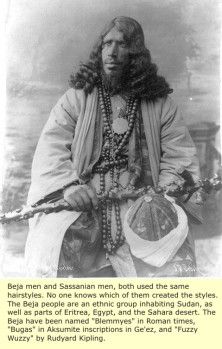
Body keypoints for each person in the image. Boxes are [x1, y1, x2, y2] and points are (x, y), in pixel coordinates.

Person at [25, 16, 201, 278]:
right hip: (83, 203)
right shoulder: (76, 98)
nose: (114, 52)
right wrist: (69, 187)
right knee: (55, 257)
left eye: (123, 44)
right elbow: (51, 149)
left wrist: (161, 195)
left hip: (142, 203)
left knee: (176, 264)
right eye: (108, 44)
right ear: (100, 49)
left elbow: (180, 156)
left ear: (137, 54)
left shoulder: (160, 104)